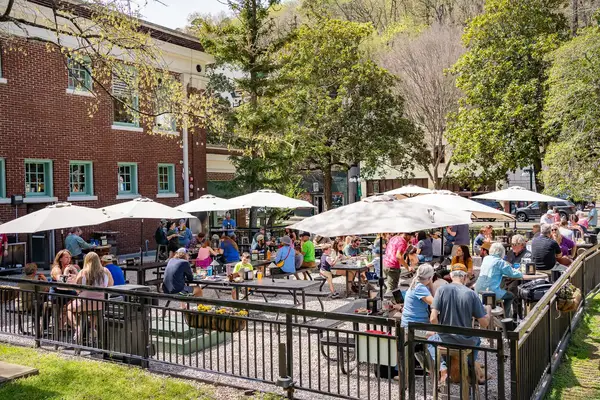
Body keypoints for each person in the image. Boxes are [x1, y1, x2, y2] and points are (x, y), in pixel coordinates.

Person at [428, 263, 491, 384]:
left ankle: (443, 368)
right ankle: (470, 366)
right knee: (477, 340)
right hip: (466, 341)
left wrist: (438, 331)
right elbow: (484, 323)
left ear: (451, 276)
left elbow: (433, 319)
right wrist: (488, 310)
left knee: (431, 341)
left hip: (445, 339)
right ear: (464, 277)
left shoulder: (441, 290)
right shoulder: (471, 294)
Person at [67, 252, 114, 341]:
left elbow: (77, 289)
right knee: (94, 310)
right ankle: (92, 328)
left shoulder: (83, 272)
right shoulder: (106, 271)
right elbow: (110, 285)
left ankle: (78, 328)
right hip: (101, 303)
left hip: (85, 302)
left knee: (69, 308)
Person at [475, 243, 523, 318]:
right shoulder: (500, 262)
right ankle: (505, 318)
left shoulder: (486, 258)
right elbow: (513, 274)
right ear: (502, 252)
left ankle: (495, 316)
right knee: (511, 295)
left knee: (500, 289)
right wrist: (520, 271)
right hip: (490, 292)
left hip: (478, 291)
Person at [400, 264, 435, 329]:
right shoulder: (420, 287)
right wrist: (431, 285)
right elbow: (435, 303)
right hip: (415, 325)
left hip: (410, 323)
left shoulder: (416, 283)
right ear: (430, 277)